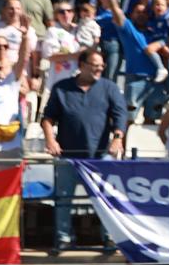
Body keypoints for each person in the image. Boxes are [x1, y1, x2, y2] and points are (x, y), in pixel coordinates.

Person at [40, 50, 127, 254]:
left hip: (100, 157)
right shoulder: (61, 88)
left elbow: (120, 115)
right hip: (68, 157)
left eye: (102, 66)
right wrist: (50, 139)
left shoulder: (109, 87)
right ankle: (63, 238)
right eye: (95, 64)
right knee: (63, 199)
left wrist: (118, 138)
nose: (99, 69)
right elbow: (47, 118)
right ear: (81, 64)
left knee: (106, 200)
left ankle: (110, 238)